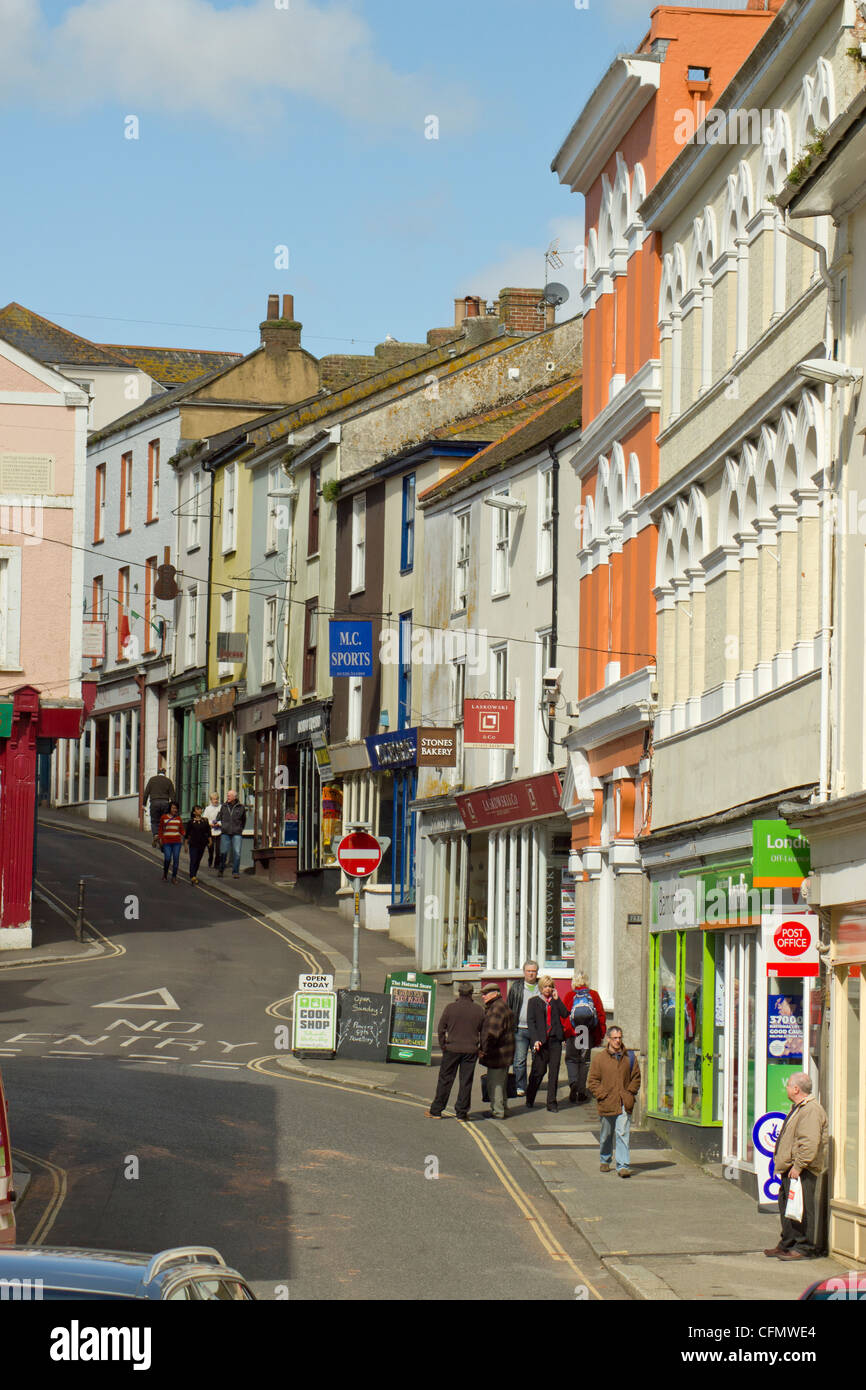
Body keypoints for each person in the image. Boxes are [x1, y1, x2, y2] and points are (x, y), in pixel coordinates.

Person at [765, 1072, 828, 1261]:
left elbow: (809, 1142)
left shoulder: (810, 1110)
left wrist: (799, 1166)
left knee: (801, 1208)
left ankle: (803, 1247)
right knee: (787, 1206)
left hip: (802, 1169)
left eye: (788, 1085)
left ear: (796, 1089)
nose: (786, 1088)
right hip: (790, 1167)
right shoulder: (800, 1108)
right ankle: (788, 1243)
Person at [425, 982, 485, 1122]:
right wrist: (481, 1048)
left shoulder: (450, 1008)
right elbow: (484, 1032)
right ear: (471, 993)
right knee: (465, 1082)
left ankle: (436, 1110)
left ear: (459, 992)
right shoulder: (479, 1010)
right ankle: (462, 1113)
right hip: (470, 1050)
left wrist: (443, 1045)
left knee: (445, 1080)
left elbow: (441, 1028)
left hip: (452, 1049)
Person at [587, 1025, 641, 1177]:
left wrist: (629, 1093)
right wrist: (602, 1095)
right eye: (615, 1038)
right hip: (607, 1102)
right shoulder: (600, 1059)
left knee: (622, 1133)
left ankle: (623, 1166)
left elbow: (636, 1077)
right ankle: (605, 1159)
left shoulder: (629, 1057)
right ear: (608, 1039)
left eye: (620, 1038)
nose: (618, 1041)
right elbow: (593, 1081)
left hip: (624, 1101)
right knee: (606, 1135)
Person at [526, 976, 570, 1112]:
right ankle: (530, 1096)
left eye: (550, 986)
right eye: (545, 986)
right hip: (541, 1041)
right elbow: (531, 1022)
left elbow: (565, 1014)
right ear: (541, 987)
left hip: (555, 1040)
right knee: (538, 1071)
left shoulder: (555, 1001)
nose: (548, 989)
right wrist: (535, 1040)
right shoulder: (533, 1002)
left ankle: (551, 1102)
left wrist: (557, 999)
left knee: (554, 1072)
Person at [563, 971, 607, 1104]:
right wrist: (600, 1035)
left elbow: (564, 1016)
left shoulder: (570, 995)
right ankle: (581, 1091)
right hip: (588, 1033)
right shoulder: (594, 995)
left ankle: (573, 1083)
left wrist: (565, 1034)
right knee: (584, 1061)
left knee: (571, 1060)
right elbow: (601, 1015)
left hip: (573, 1033)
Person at [479, 983, 515, 1121]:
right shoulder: (502, 1005)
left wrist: (484, 1050)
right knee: (502, 1082)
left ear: (495, 993)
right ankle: (503, 1108)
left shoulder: (496, 1009)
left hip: (498, 1054)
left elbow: (492, 1034)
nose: (483, 996)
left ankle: (497, 1112)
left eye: (486, 993)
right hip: (505, 1053)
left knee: (495, 1084)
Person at [506, 960, 540, 1097]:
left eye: (533, 971)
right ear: (524, 972)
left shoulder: (541, 987)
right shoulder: (516, 987)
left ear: (537, 972)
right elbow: (509, 1007)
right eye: (528, 971)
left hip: (537, 1030)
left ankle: (533, 1085)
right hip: (520, 1028)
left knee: (537, 1060)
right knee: (519, 1060)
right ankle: (520, 1086)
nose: (531, 974)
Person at [143, 762, 176, 846]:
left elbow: (146, 793)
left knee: (154, 821)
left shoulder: (152, 780)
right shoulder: (168, 781)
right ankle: (162, 838)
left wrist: (144, 804)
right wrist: (173, 806)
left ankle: (156, 835)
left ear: (157, 773)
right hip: (165, 803)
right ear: (165, 773)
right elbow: (172, 795)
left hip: (154, 802)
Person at [218, 789, 247, 878]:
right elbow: (220, 817)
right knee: (223, 852)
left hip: (237, 832)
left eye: (229, 795)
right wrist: (223, 826)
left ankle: (235, 872)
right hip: (225, 832)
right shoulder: (224, 806)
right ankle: (221, 870)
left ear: (234, 797)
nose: (227, 797)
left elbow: (243, 820)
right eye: (227, 795)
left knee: (237, 853)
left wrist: (240, 829)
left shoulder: (241, 807)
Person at [157, 802, 185, 884]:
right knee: (167, 858)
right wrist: (160, 839)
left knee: (176, 859)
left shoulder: (179, 818)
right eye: (173, 808)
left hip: (177, 842)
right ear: (170, 808)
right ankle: (165, 873)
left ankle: (174, 877)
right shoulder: (164, 817)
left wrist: (187, 836)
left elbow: (182, 830)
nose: (174, 810)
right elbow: (160, 829)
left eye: (176, 808)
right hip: (167, 842)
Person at [185, 806, 211, 886]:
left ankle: (194, 874)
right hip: (193, 843)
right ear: (194, 812)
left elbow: (208, 832)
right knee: (193, 859)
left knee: (198, 860)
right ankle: (192, 876)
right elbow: (187, 834)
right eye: (198, 809)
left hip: (202, 843)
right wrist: (185, 844)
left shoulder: (205, 821)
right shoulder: (191, 822)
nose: (200, 810)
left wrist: (210, 841)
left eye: (200, 809)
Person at [203, 792, 222, 868]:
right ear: (211, 800)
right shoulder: (208, 808)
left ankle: (217, 863)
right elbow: (205, 819)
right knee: (211, 848)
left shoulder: (221, 807)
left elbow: (224, 819)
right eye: (214, 799)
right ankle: (210, 859)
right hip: (210, 831)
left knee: (218, 849)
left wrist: (219, 823)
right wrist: (211, 823)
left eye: (217, 799)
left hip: (219, 831)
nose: (216, 800)